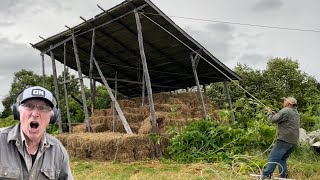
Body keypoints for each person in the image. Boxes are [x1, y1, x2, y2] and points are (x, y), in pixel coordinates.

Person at [0, 86, 73, 179]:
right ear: (18, 112)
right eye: (29, 106)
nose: (35, 114)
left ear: (52, 117)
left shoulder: (58, 151)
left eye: (43, 108)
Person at [262, 97, 300, 179]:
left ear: (288, 103)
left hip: (284, 140)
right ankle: (284, 176)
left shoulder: (286, 110)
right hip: (293, 141)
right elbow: (281, 118)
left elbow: (272, 120)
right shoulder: (295, 112)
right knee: (282, 159)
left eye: (285, 100)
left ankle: (266, 175)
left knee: (273, 157)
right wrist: (275, 114)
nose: (283, 101)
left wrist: (268, 112)